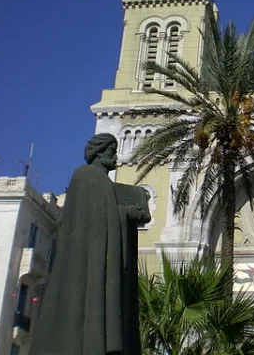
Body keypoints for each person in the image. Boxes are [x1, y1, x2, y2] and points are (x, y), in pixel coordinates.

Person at [30, 133, 150, 355]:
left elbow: (106, 215)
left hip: (101, 262)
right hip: (85, 265)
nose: (116, 157)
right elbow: (94, 220)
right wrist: (128, 213)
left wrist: (130, 211)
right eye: (111, 152)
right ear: (99, 153)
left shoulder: (103, 183)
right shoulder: (85, 177)